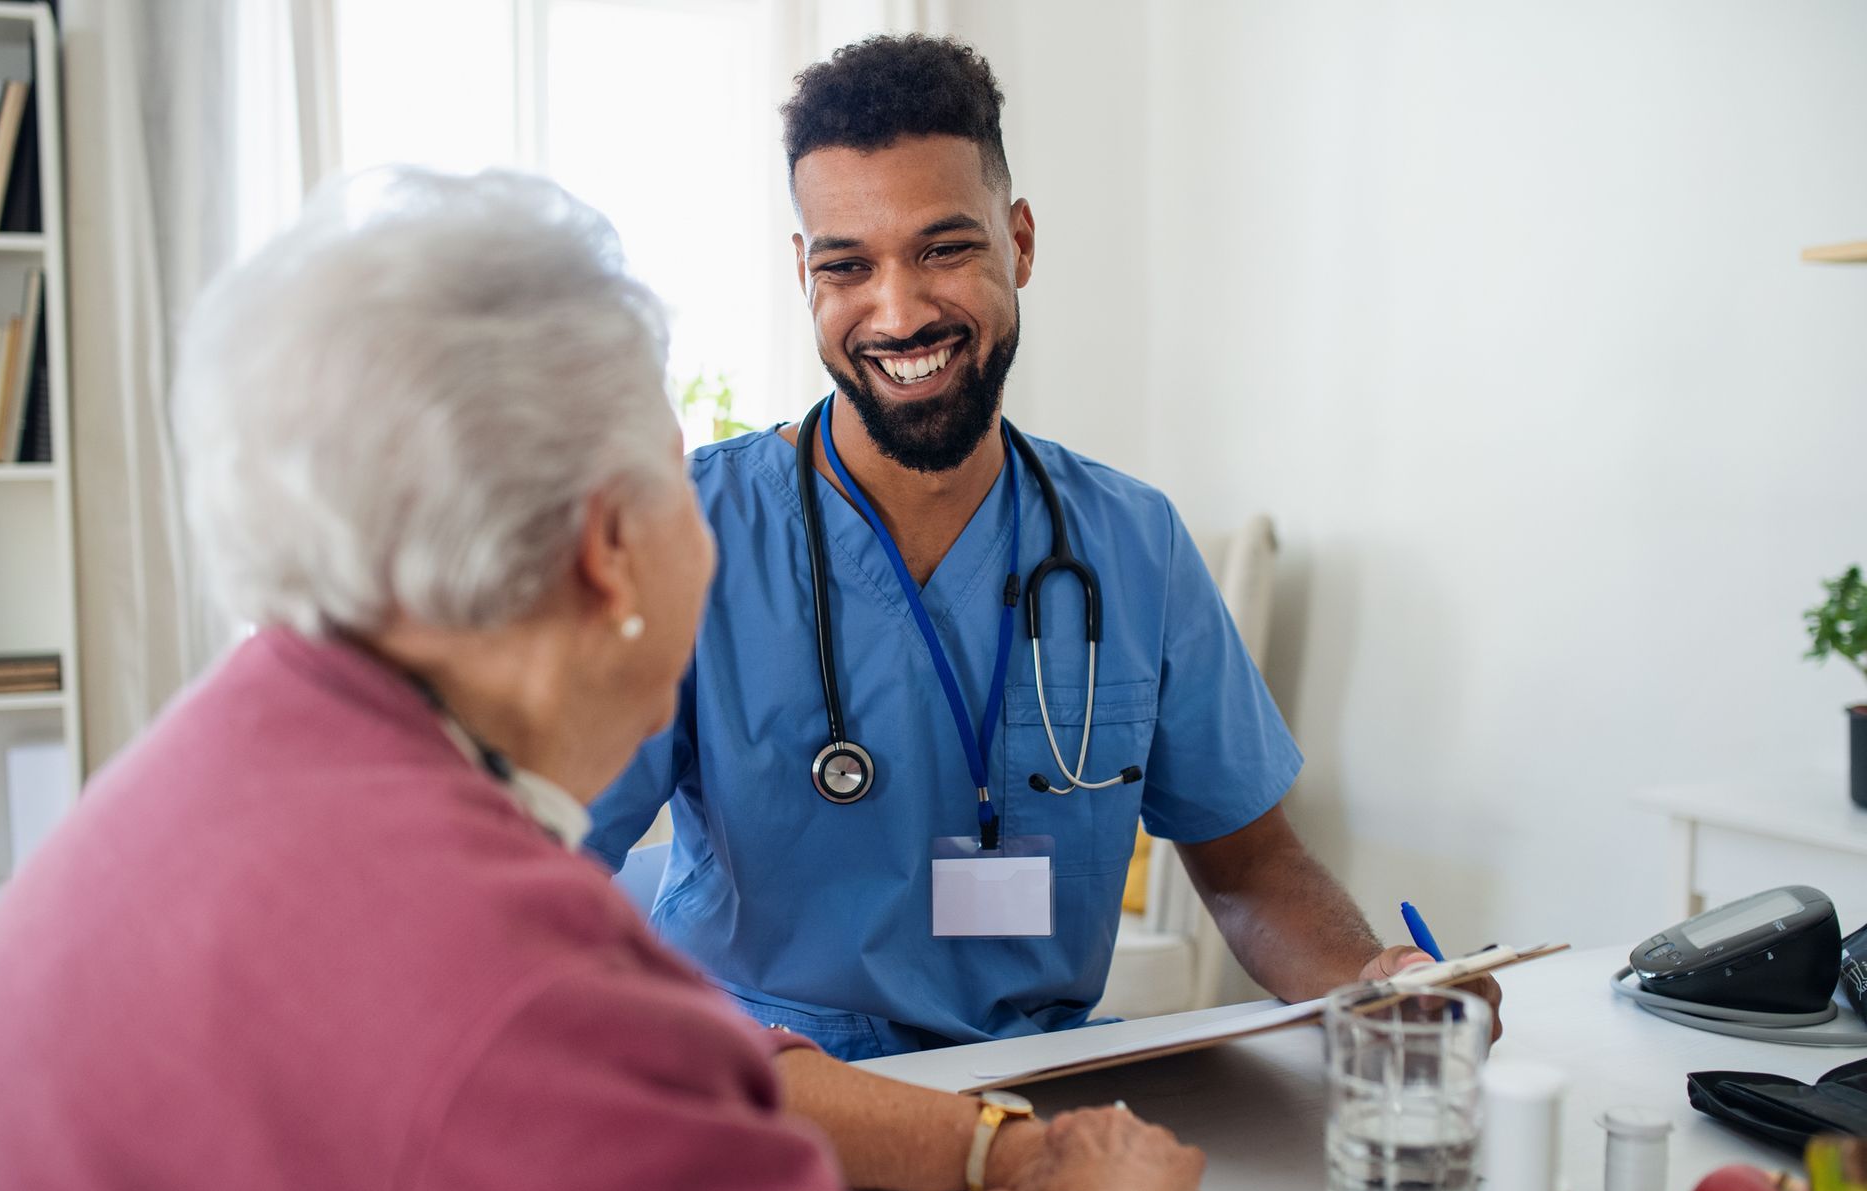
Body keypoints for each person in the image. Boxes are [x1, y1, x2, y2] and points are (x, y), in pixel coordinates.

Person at [0, 169, 1233, 1191]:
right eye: (678, 478)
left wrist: (985, 1140)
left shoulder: (210, 765)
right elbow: (558, 1046)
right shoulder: (521, 993)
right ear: (611, 547)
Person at [587, 30, 1502, 1064]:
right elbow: (547, 864)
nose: (899, 311)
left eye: (945, 249)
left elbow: (1250, 870)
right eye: (848, 265)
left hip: (1040, 1087)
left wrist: (1373, 981)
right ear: (805, 276)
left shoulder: (1132, 544)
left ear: (1019, 241)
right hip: (766, 1096)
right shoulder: (686, 534)